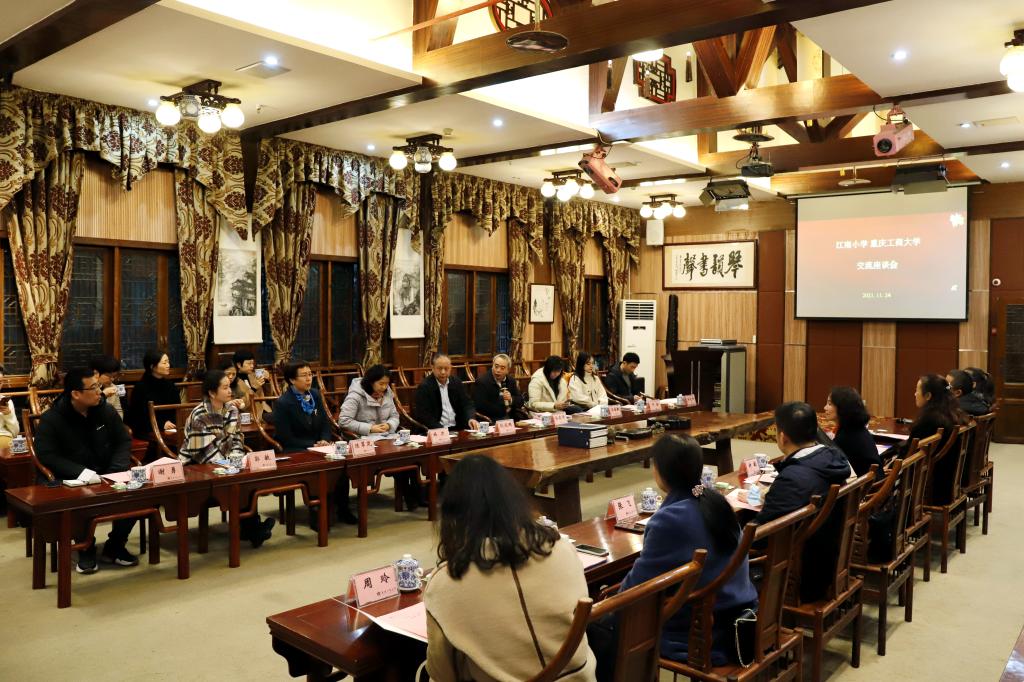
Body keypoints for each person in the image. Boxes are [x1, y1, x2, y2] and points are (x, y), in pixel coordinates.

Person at [589, 435, 757, 675]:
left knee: (599, 626)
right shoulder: (715, 502)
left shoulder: (669, 520)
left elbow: (635, 588)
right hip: (738, 615)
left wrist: (603, 607)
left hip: (704, 630)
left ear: (659, 471)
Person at [424, 455, 596, 681]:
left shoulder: (446, 581)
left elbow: (442, 673)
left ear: (452, 514)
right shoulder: (560, 547)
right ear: (513, 499)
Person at [34, 368, 138, 573]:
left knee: (136, 494)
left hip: (107, 472)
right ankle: (85, 548)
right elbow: (47, 455)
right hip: (72, 477)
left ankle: (115, 546)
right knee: (78, 501)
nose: (99, 391)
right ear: (75, 393)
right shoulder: (52, 418)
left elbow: (123, 440)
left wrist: (116, 469)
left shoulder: (105, 410)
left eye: (99, 386)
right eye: (93, 388)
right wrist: (82, 472)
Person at [756, 402, 853, 602]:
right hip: (828, 557)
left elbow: (761, 536)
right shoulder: (832, 457)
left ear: (783, 436)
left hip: (805, 572)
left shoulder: (793, 478)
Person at [179, 370, 274, 547]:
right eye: (224, 388)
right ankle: (253, 529)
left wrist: (236, 459)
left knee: (245, 479)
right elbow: (201, 451)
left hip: (225, 462)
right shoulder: (199, 414)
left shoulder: (231, 409)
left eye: (229, 387)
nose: (230, 391)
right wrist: (226, 465)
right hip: (197, 466)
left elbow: (237, 438)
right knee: (234, 482)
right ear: (211, 392)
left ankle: (250, 528)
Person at [337, 364, 403, 517]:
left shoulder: (387, 392)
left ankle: (410, 497)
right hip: (364, 440)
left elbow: (395, 415)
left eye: (386, 383)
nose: (384, 387)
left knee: (408, 455)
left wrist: (389, 425)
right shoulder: (356, 395)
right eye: (381, 383)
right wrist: (370, 428)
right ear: (371, 382)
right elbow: (344, 421)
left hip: (387, 437)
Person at [909, 374, 968, 505]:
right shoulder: (953, 413)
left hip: (931, 485)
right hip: (947, 481)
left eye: (917, 390)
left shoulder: (929, 420)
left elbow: (908, 456)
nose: (915, 394)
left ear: (928, 396)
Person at [271, 361, 333, 451]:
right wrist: (313, 445)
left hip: (320, 447)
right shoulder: (283, 403)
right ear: (292, 380)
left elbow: (325, 422)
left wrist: (324, 440)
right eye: (304, 375)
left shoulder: (315, 394)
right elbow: (286, 438)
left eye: (310, 374)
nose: (308, 379)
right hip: (297, 449)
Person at [413, 353, 479, 432]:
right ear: (433, 368)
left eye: (446, 368)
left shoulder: (456, 382)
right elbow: (423, 415)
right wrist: (442, 430)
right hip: (437, 429)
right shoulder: (425, 387)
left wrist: (470, 418)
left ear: (451, 368)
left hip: (459, 428)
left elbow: (467, 404)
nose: (443, 372)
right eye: (440, 368)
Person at [824, 386, 881, 476]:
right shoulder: (856, 428)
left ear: (843, 407)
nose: (825, 408)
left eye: (830, 404)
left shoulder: (846, 436)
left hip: (865, 484)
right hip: (872, 479)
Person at [124, 350, 180, 439]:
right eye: (164, 363)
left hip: (170, 427)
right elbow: (138, 415)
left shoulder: (170, 385)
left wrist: (171, 423)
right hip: (147, 428)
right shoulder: (141, 387)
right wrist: (162, 424)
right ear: (152, 366)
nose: (168, 365)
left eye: (168, 362)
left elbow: (177, 408)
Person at [472, 353, 525, 422]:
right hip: (491, 419)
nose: (498, 370)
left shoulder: (511, 381)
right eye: (496, 366)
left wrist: (510, 399)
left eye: (502, 368)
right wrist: (502, 405)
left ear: (508, 370)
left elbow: (520, 401)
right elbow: (480, 407)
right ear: (492, 366)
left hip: (511, 418)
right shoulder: (482, 382)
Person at [0, 365, 20, 448]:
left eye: (0, 382)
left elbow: (15, 432)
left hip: (3, 437)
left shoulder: (6, 402)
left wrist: (8, 415)